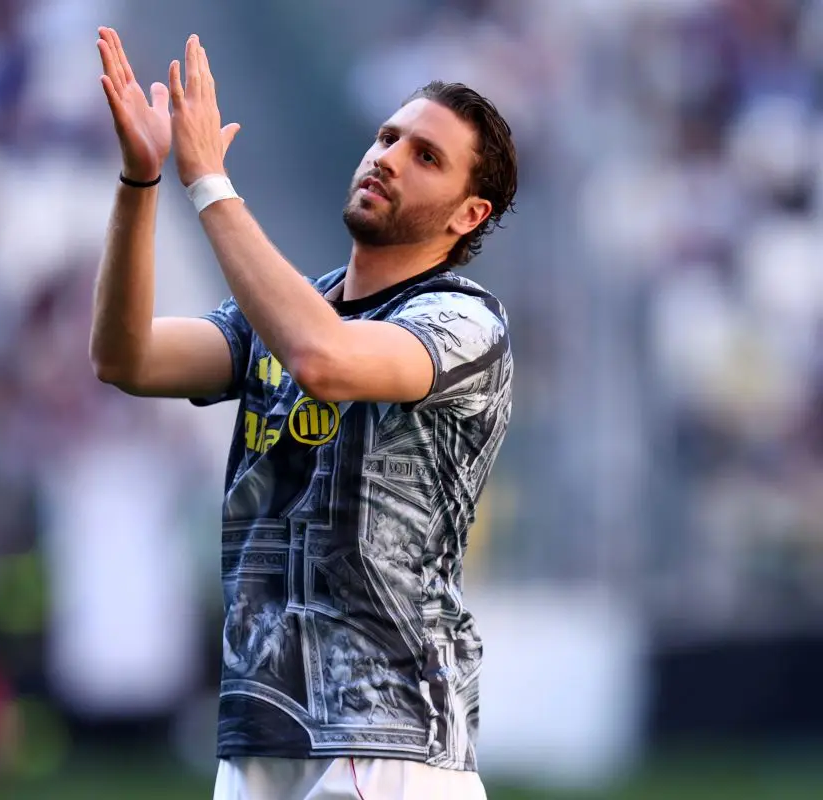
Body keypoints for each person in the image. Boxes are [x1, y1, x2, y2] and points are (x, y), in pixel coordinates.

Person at [90, 26, 517, 800]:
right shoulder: (289, 314)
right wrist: (140, 181)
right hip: (260, 734)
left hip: (384, 737)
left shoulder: (464, 323)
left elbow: (324, 359)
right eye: (387, 137)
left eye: (426, 156)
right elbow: (128, 358)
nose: (388, 157)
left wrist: (208, 182)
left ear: (468, 214)